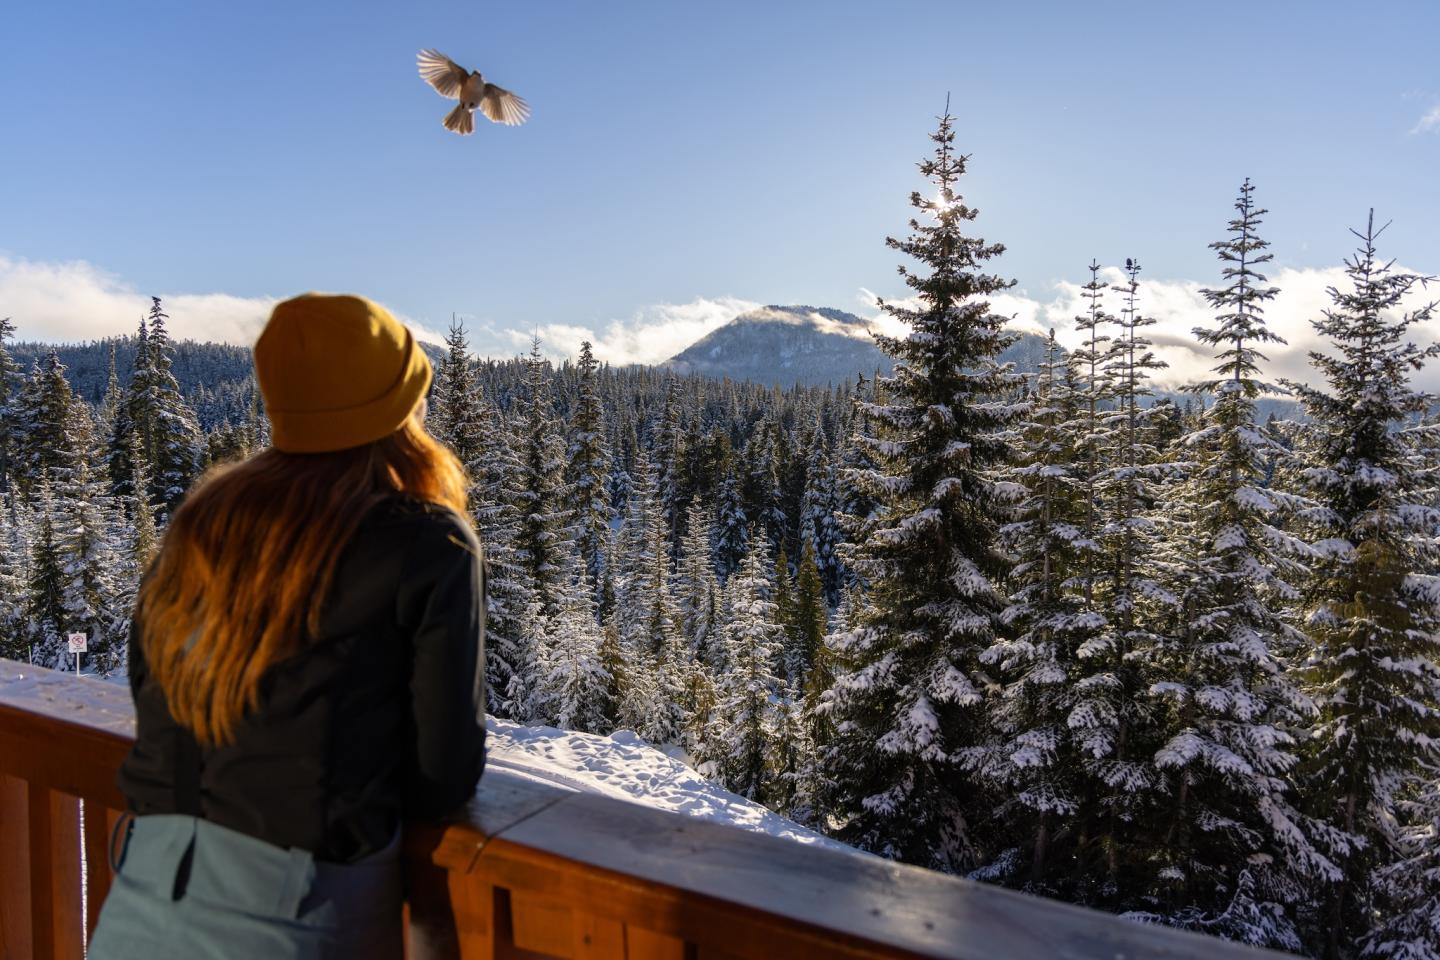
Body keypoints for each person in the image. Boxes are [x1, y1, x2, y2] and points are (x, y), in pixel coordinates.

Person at [90, 293, 487, 959]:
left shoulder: (203, 521)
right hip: (296, 915)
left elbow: (153, 684)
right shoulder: (425, 541)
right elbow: (443, 772)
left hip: (140, 902)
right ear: (398, 413)